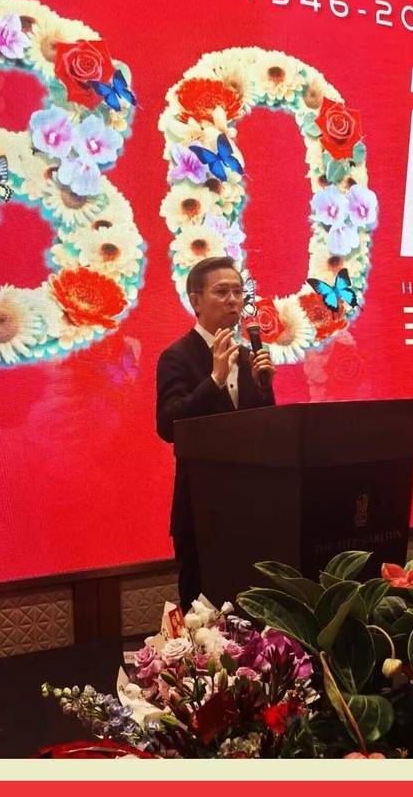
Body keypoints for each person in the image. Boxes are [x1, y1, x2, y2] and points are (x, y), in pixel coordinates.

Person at [156, 256, 276, 611]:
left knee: (252, 609)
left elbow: (267, 431)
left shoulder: (247, 356)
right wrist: (214, 380)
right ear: (195, 301)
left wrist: (263, 389)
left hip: (251, 506)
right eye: (222, 292)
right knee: (204, 614)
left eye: (238, 292)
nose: (233, 301)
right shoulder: (177, 356)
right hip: (201, 510)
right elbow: (168, 425)